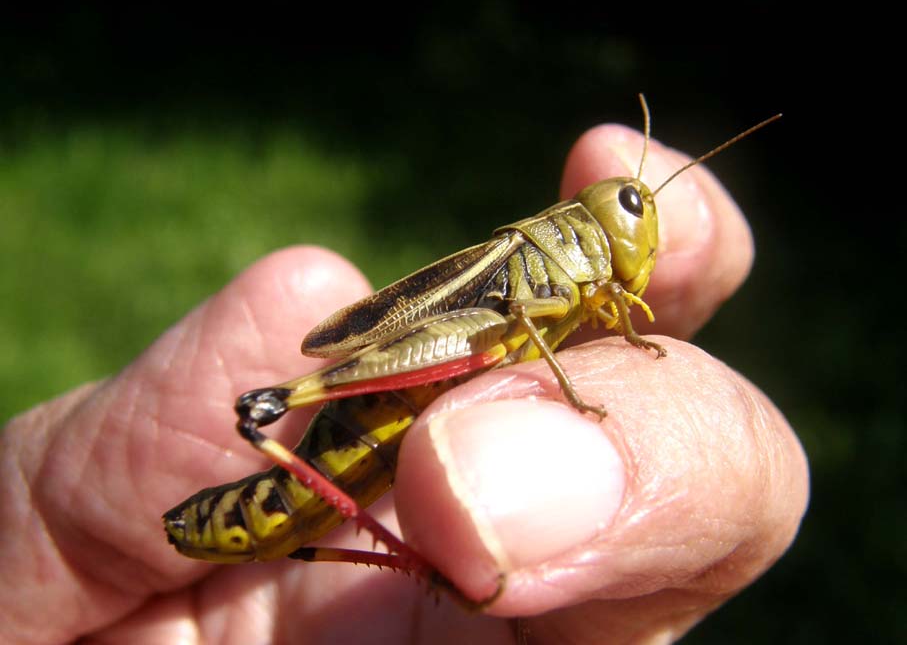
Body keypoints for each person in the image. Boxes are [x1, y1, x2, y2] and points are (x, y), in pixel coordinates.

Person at [0, 124, 808, 645]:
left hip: (399, 425)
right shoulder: (543, 265)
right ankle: (346, 533)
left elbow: (580, 317)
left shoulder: (590, 291)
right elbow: (523, 325)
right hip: (372, 400)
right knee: (271, 409)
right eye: (634, 213)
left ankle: (382, 553)